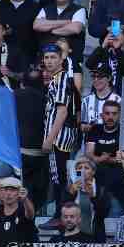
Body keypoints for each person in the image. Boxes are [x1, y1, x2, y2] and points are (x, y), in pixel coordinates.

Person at [39, 42, 80, 229]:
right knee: (59, 178)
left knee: (58, 179)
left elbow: (62, 112)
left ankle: (59, 216)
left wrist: (49, 139)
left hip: (59, 138)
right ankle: (61, 216)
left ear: (61, 59)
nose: (49, 61)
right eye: (46, 57)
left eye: (53, 57)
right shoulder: (56, 78)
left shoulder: (62, 78)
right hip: (59, 136)